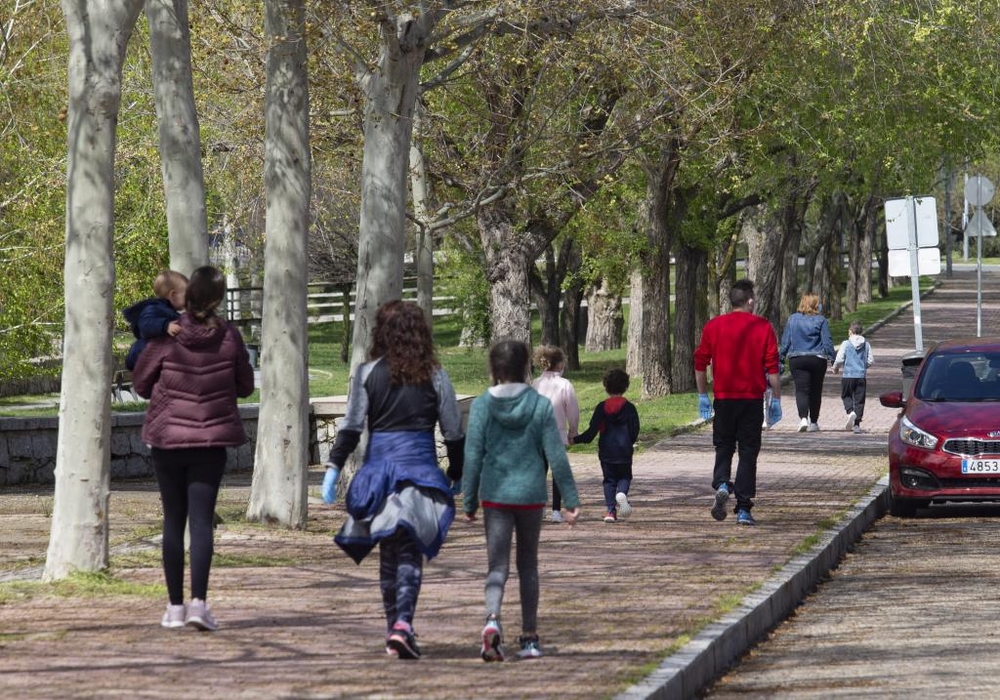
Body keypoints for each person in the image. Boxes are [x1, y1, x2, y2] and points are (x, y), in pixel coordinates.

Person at [325, 300, 464, 661]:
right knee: (410, 551)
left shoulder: (367, 372)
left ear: (381, 332)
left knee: (388, 552)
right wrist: (457, 472)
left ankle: (395, 629)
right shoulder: (436, 375)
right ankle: (403, 624)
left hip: (380, 476)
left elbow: (352, 426)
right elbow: (452, 430)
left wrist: (333, 467)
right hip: (420, 474)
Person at [132, 265, 255, 632]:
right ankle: (199, 604)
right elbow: (246, 386)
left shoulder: (166, 336)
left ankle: (173, 607)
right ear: (217, 299)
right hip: (210, 442)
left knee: (173, 520)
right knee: (201, 522)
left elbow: (140, 383)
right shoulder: (230, 336)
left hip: (168, 439)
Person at [463, 339, 581, 662]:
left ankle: (491, 620)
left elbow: (472, 454)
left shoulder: (482, 405)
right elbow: (555, 454)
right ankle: (529, 638)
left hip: (496, 495)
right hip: (530, 494)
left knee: (496, 567)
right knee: (528, 565)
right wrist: (570, 498)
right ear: (525, 367)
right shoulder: (539, 405)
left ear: (494, 368)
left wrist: (469, 499)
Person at [694, 279, 782, 527]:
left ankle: (722, 482)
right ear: (750, 300)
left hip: (724, 398)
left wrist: (703, 395)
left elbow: (700, 363)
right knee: (748, 452)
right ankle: (743, 507)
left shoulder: (713, 326)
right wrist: (776, 398)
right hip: (751, 400)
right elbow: (772, 368)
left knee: (723, 445)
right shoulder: (763, 327)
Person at [573, 368, 640, 523]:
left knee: (609, 481)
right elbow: (635, 430)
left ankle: (610, 511)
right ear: (625, 387)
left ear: (606, 387)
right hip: (624, 450)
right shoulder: (630, 408)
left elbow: (591, 433)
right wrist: (629, 441)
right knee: (624, 476)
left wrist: (575, 440)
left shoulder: (601, 408)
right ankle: (622, 493)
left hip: (606, 451)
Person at [530, 345, 580, 523]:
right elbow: (572, 411)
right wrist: (573, 432)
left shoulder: (535, 384)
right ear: (559, 363)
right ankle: (556, 511)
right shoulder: (565, 384)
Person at [779, 293, 835, 432]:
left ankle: (803, 418)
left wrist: (781, 358)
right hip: (817, 359)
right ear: (816, 305)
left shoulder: (792, 319)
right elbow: (827, 341)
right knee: (816, 391)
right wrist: (832, 358)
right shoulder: (821, 320)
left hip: (797, 359)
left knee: (801, 390)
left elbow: (786, 341)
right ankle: (814, 422)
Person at [123, 270, 188, 370]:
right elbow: (145, 325)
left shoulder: (168, 310)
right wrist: (165, 325)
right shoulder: (154, 308)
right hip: (144, 354)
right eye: (186, 296)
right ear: (173, 294)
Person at [832, 320, 874, 434]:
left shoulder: (846, 343)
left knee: (846, 395)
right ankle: (857, 425)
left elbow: (840, 358)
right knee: (860, 400)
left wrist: (835, 367)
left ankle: (850, 411)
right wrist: (863, 366)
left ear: (850, 331)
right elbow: (870, 360)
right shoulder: (866, 344)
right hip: (861, 376)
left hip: (848, 376)